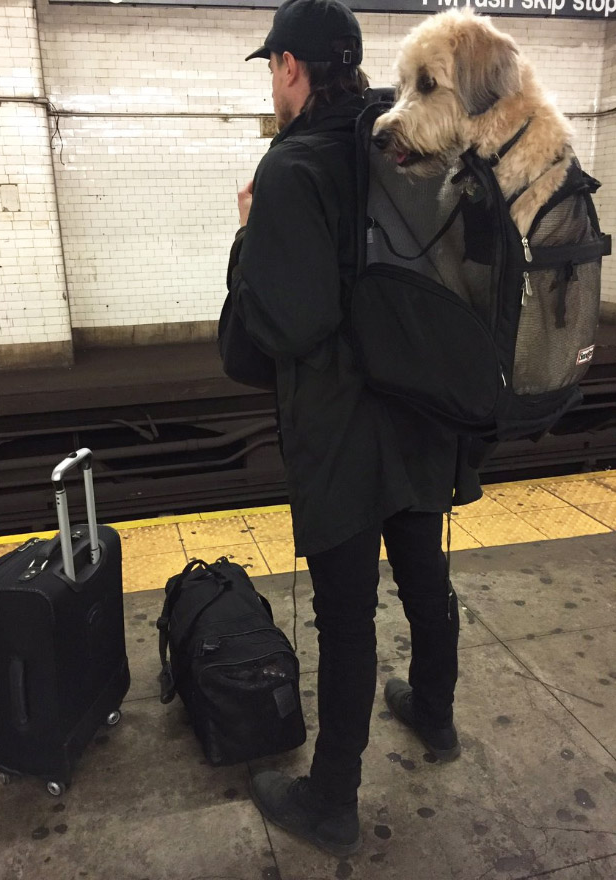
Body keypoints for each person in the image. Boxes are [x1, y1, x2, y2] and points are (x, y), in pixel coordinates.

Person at [223, 0, 481, 857]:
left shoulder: (290, 169)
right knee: (421, 567)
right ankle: (435, 715)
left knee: (345, 615)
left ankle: (332, 799)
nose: (273, 81)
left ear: (291, 68)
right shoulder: (398, 143)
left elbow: (275, 340)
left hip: (341, 430)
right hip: (420, 406)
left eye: (273, 67)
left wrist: (247, 232)